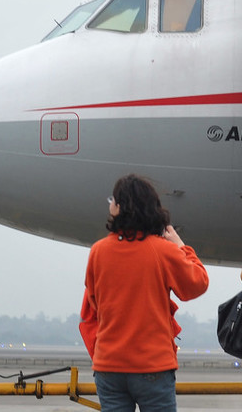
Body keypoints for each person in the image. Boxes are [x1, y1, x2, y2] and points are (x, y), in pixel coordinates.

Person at [79, 174, 210, 412]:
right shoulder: (162, 251)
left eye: (113, 200)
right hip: (152, 366)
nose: (109, 205)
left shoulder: (98, 252)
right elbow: (198, 283)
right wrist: (180, 246)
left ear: (120, 207)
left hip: (109, 365)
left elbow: (94, 302)